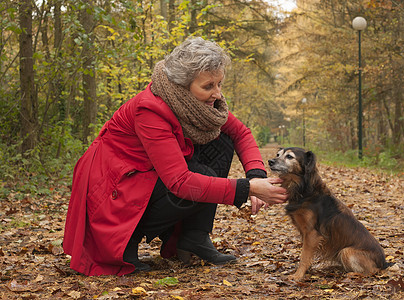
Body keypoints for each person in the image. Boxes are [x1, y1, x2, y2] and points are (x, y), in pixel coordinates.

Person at [63, 37, 288, 276]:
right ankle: (129, 236)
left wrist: (256, 175)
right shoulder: (150, 109)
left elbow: (240, 133)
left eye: (219, 83)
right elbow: (180, 182)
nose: (217, 93)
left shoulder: (200, 106)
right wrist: (248, 189)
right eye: (209, 86)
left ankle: (194, 237)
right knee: (200, 177)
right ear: (183, 85)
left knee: (221, 139)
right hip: (116, 185)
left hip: (146, 175)